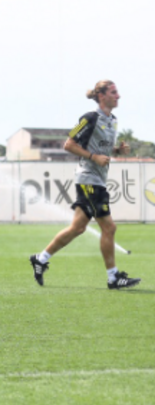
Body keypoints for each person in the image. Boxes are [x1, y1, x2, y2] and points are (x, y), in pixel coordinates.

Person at [30, 80, 140, 290]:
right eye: (114, 92)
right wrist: (93, 157)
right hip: (89, 179)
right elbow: (68, 144)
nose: (118, 96)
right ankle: (113, 277)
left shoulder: (113, 120)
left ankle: (40, 259)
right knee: (109, 227)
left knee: (78, 228)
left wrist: (116, 150)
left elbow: (101, 148)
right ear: (102, 96)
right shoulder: (89, 118)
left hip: (96, 179)